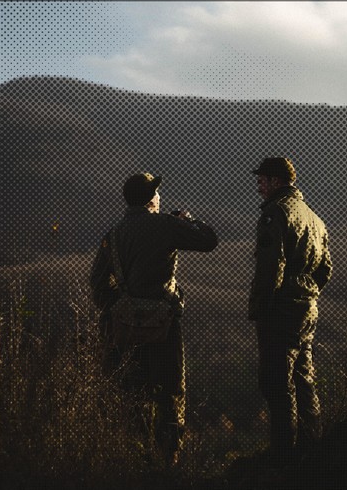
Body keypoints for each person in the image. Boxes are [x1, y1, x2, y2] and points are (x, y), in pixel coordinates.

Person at [90, 172, 218, 465]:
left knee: (133, 394)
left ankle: (136, 459)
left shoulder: (113, 234)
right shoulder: (166, 225)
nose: (160, 198)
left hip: (125, 328)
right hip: (163, 326)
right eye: (157, 194)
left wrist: (120, 307)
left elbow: (98, 281)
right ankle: (169, 460)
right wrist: (187, 220)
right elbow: (209, 240)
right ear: (151, 200)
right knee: (170, 391)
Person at [249, 157, 332, 466]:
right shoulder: (315, 218)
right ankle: (313, 448)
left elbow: (271, 268)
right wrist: (306, 295)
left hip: (280, 311)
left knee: (276, 382)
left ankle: (284, 457)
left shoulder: (275, 213)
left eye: (263, 179)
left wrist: (262, 307)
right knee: (304, 379)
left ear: (277, 181)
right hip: (306, 310)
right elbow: (325, 270)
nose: (258, 183)